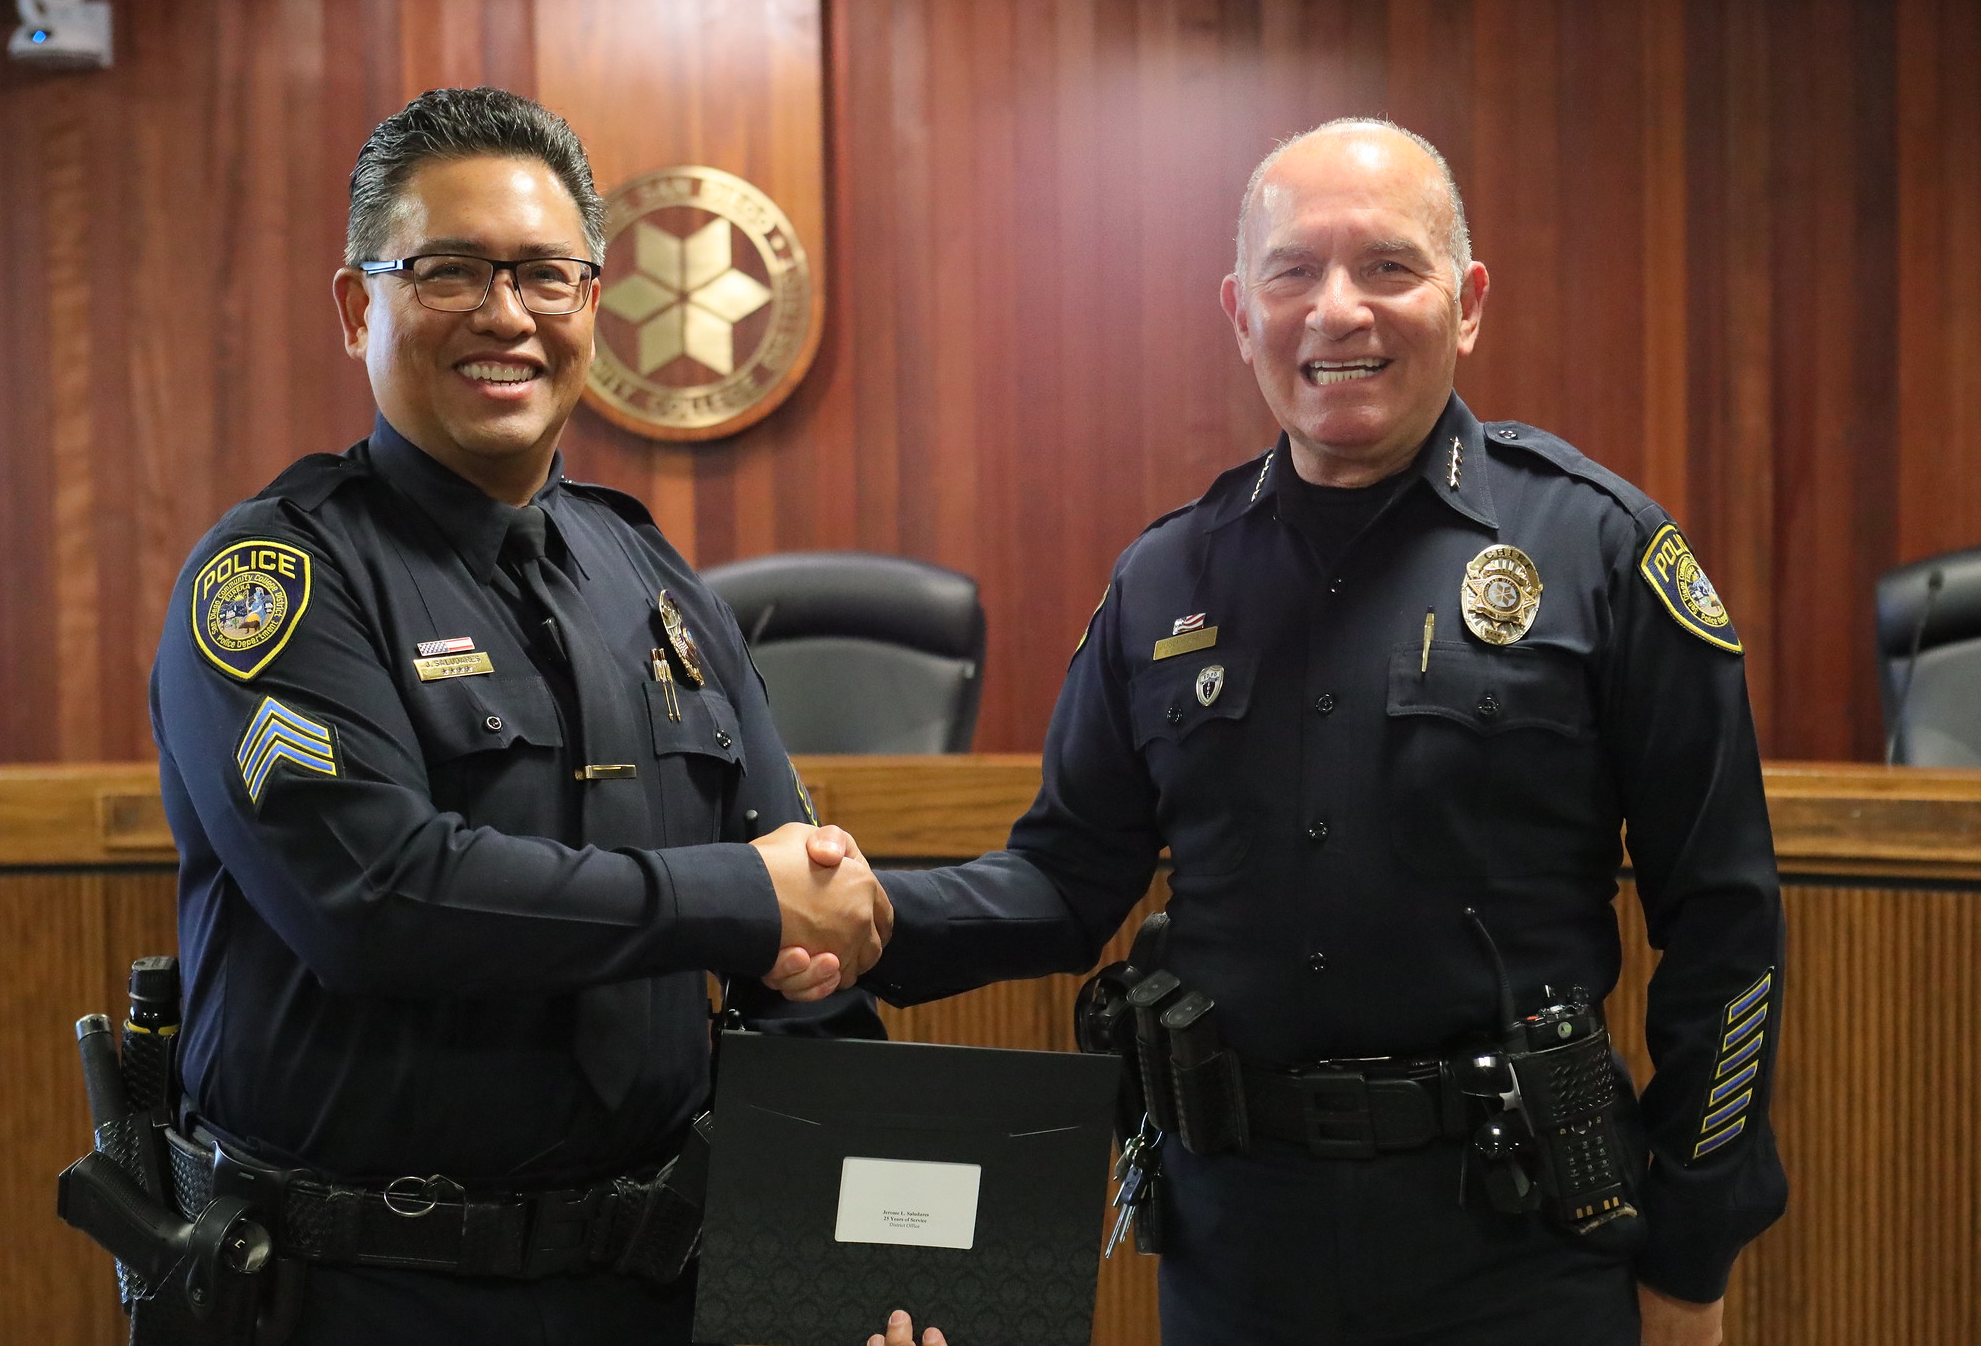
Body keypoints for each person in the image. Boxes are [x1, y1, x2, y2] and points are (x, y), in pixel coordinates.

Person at [837, 120, 1787, 1345]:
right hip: (1243, 1251)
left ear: (1468, 301)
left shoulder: (1598, 551)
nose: (1337, 312)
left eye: (1388, 267)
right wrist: (868, 919)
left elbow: (1724, 928)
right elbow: (1067, 881)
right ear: (1241, 312)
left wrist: (1691, 1253)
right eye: (1293, 273)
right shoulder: (1162, 577)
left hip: (1519, 1244)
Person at [150, 86, 891, 1344]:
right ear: (358, 305)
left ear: (592, 304)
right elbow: (377, 904)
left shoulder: (654, 580)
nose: (506, 316)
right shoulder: (277, 582)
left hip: (659, 1285)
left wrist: (853, 1270)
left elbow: (805, 945)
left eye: (546, 276)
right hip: (362, 1293)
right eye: (449, 271)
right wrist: (740, 899)